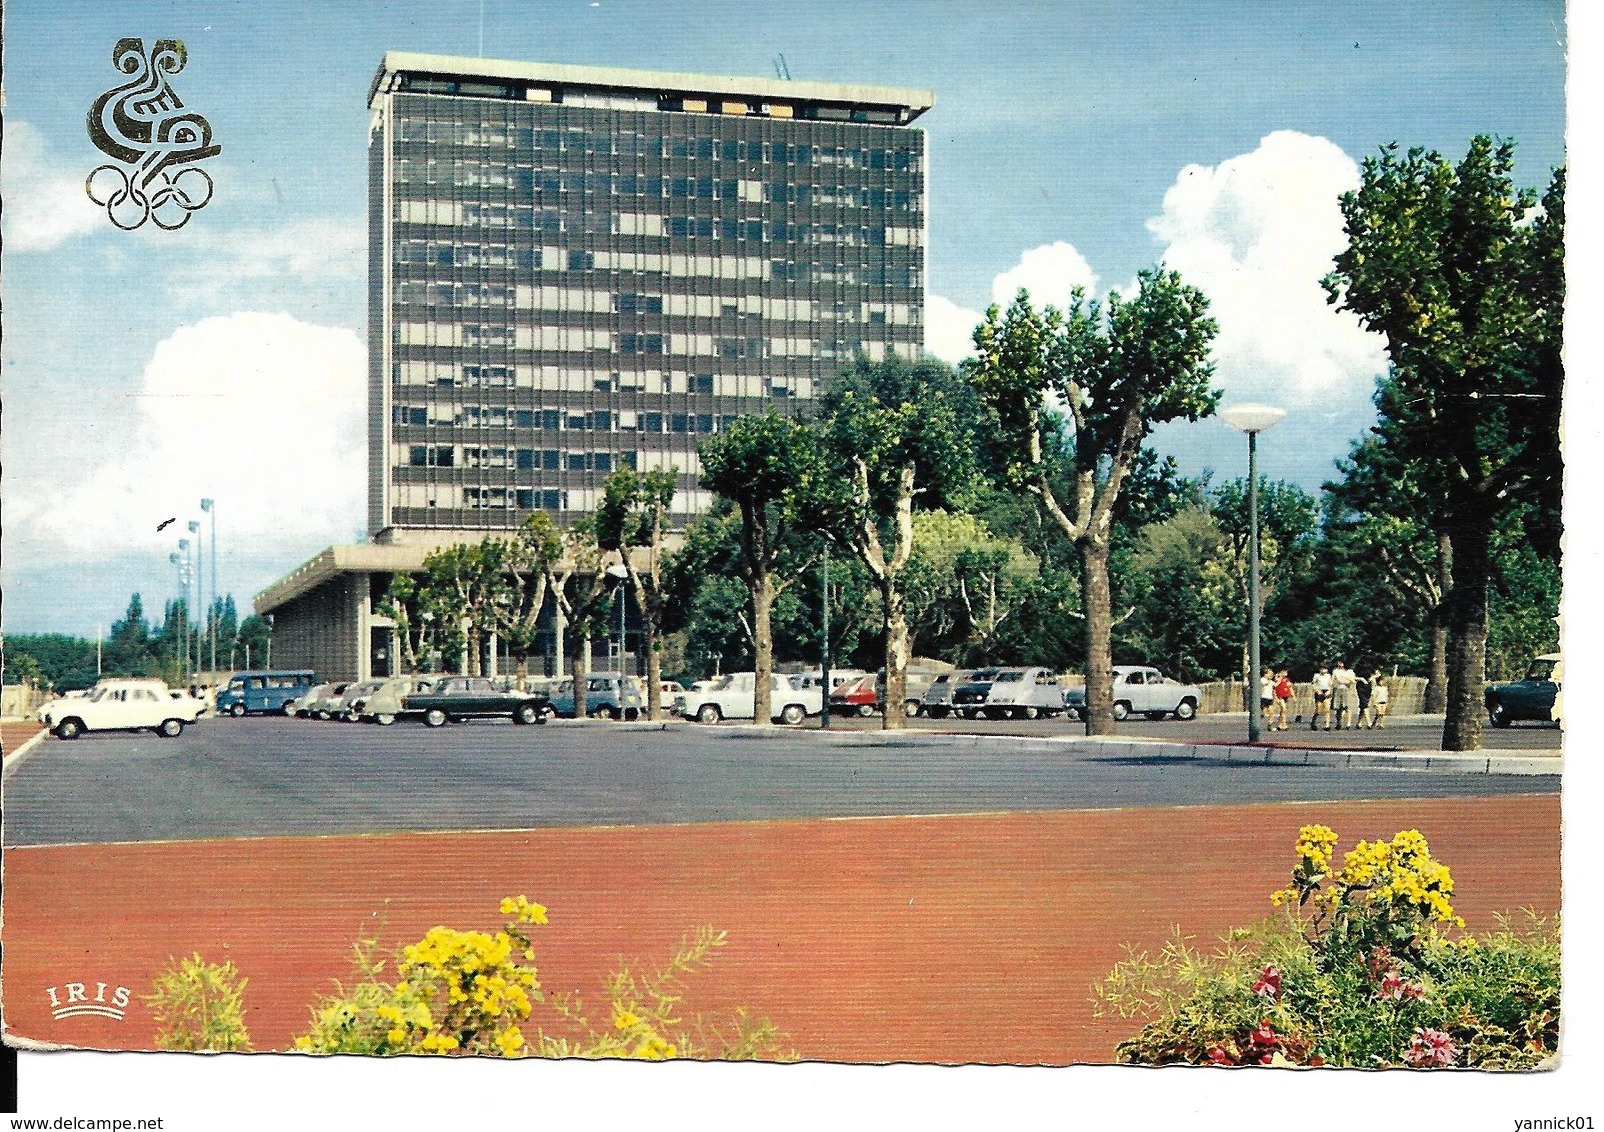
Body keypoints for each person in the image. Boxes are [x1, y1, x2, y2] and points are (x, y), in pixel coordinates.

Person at [1331, 659, 1357, 730]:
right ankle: (1338, 722)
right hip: (1338, 688)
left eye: (1341, 662)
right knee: (1337, 707)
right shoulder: (1335, 671)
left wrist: (1346, 679)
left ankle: (1348, 723)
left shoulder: (1349, 671)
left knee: (1346, 706)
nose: (1339, 664)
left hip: (1347, 689)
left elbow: (1353, 681)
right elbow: (1333, 680)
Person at [1310, 665, 1332, 730]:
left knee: (1327, 709)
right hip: (1319, 691)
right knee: (1318, 709)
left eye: (1324, 669)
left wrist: (1329, 690)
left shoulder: (1328, 676)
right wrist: (1317, 691)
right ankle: (1313, 722)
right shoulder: (1316, 675)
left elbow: (1331, 684)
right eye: (1321, 669)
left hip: (1326, 690)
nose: (1323, 670)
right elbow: (1313, 684)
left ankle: (1327, 725)